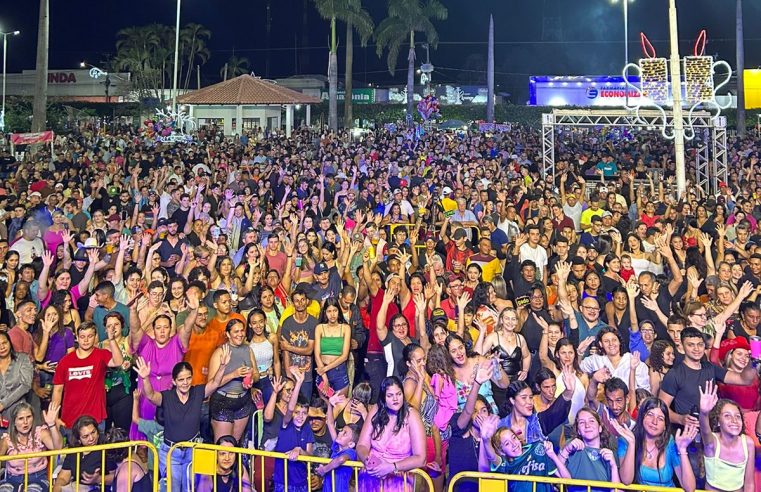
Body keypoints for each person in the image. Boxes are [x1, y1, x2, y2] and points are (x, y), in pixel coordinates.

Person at [134, 346, 230, 492]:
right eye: (181, 379)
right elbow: (151, 396)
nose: (185, 382)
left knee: (190, 488)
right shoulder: (167, 396)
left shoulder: (197, 392)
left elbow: (215, 383)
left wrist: (222, 366)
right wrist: (145, 378)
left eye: (188, 378)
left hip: (193, 450)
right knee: (173, 488)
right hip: (171, 452)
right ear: (174, 381)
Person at [356, 376, 426, 492]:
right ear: (383, 398)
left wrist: (392, 467)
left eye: (398, 394)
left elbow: (420, 458)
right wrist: (367, 460)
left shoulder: (412, 415)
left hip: (398, 482)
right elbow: (361, 445)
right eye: (390, 395)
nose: (395, 399)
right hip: (370, 478)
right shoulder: (376, 410)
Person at [614, 397, 698, 491]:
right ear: (642, 417)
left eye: (660, 418)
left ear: (665, 426)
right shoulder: (626, 440)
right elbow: (626, 480)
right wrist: (632, 444)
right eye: (650, 415)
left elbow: (690, 488)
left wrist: (682, 450)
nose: (654, 422)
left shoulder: (669, 443)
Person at [52, 321, 124, 429]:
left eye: (90, 336)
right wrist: (54, 418)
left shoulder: (101, 354)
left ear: (95, 337)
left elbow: (118, 362)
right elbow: (57, 391)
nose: (85, 340)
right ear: (77, 337)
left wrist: (112, 340)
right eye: (82, 337)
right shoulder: (65, 361)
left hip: (96, 419)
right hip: (70, 420)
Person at [698, 381, 755, 492]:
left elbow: (749, 483)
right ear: (718, 421)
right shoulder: (713, 442)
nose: (734, 420)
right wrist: (704, 413)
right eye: (727, 416)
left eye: (738, 416)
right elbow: (705, 431)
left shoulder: (748, 443)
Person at [0, 401, 62, 492]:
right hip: (12, 479)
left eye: (28, 417)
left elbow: (58, 447)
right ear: (14, 422)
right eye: (21, 418)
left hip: (37, 478)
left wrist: (52, 424)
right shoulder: (7, 439)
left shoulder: (40, 433)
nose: (25, 422)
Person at [558, 407, 620, 492]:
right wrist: (565, 451)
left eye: (591, 421)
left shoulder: (609, 455)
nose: (587, 425)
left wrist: (613, 466)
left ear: (600, 428)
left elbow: (615, 490)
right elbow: (555, 472)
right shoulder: (571, 449)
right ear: (578, 431)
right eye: (582, 422)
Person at [52, 414, 116, 492]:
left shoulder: (105, 446)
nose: (91, 438)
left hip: (98, 488)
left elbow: (114, 476)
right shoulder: (74, 450)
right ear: (79, 439)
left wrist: (98, 479)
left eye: (93, 432)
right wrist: (58, 486)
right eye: (86, 436)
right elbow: (63, 477)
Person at [0, 331, 33, 423]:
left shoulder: (22, 359)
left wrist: (3, 404)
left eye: (4, 343)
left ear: (10, 342)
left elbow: (25, 385)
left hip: (19, 412)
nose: (2, 347)